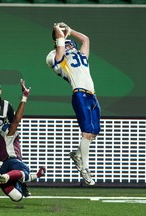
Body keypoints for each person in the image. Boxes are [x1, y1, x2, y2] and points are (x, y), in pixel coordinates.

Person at [46, 22, 101, 185]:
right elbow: (60, 50)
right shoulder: (55, 56)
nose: (70, 46)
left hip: (92, 95)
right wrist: (59, 33)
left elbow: (86, 40)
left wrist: (70, 30)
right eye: (66, 43)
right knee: (86, 132)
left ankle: (77, 154)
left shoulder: (80, 55)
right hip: (79, 93)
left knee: (93, 133)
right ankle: (84, 168)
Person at [0, 79, 45, 202]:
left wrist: (39, 174)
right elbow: (16, 121)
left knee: (17, 196)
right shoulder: (7, 131)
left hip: (0, 165)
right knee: (25, 172)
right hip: (11, 161)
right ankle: (0, 173)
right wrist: (24, 97)